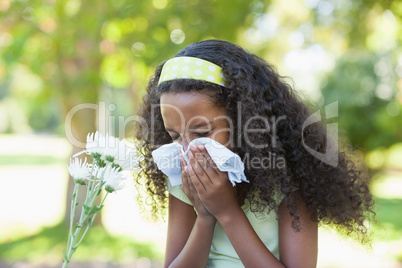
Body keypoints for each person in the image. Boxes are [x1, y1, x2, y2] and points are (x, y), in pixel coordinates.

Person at [134, 39, 374, 267]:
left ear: (245, 121)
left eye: (202, 132)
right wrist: (205, 218)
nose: (187, 150)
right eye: (175, 136)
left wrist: (227, 212)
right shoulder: (183, 177)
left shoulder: (287, 180)